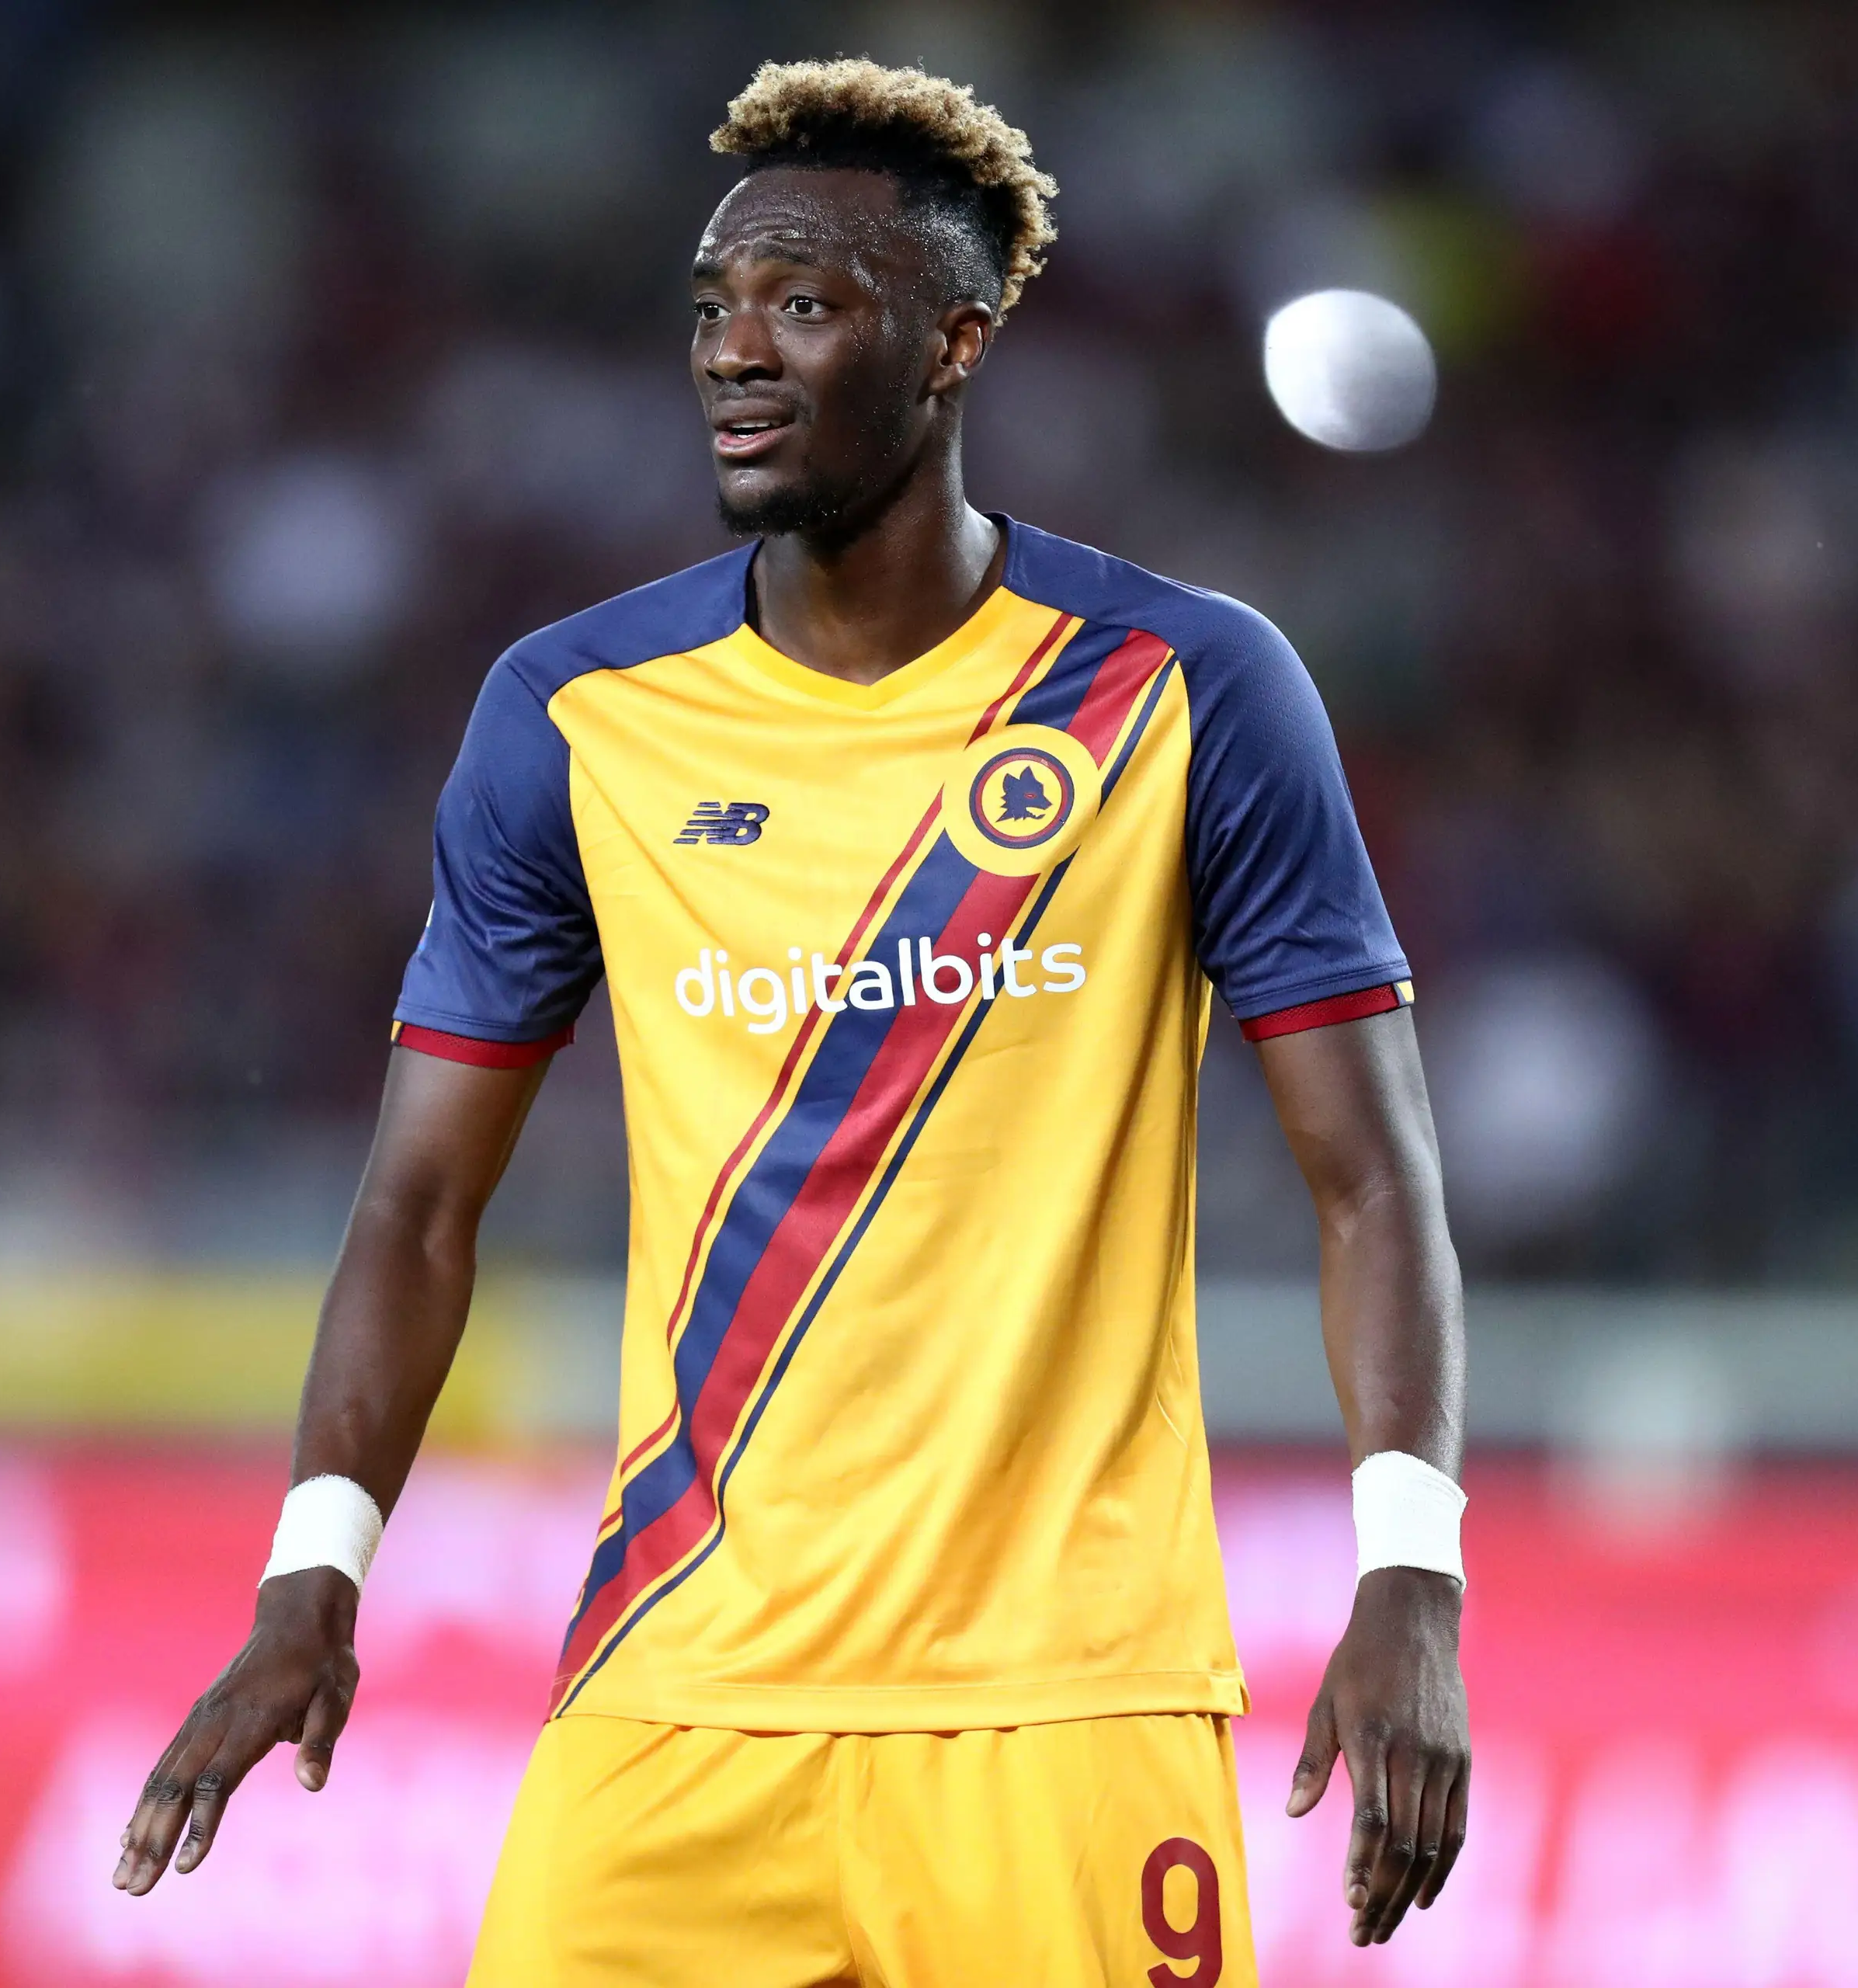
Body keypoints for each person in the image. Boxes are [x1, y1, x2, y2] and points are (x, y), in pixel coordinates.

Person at [112, 57, 1471, 1985]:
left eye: (806, 306)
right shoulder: (576, 715)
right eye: (712, 309)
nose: (735, 354)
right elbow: (417, 1204)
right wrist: (311, 1575)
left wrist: (1411, 1568)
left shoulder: (1185, 689)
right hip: (681, 1694)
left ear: (954, 345)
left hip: (1061, 1708)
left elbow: (1371, 1174)